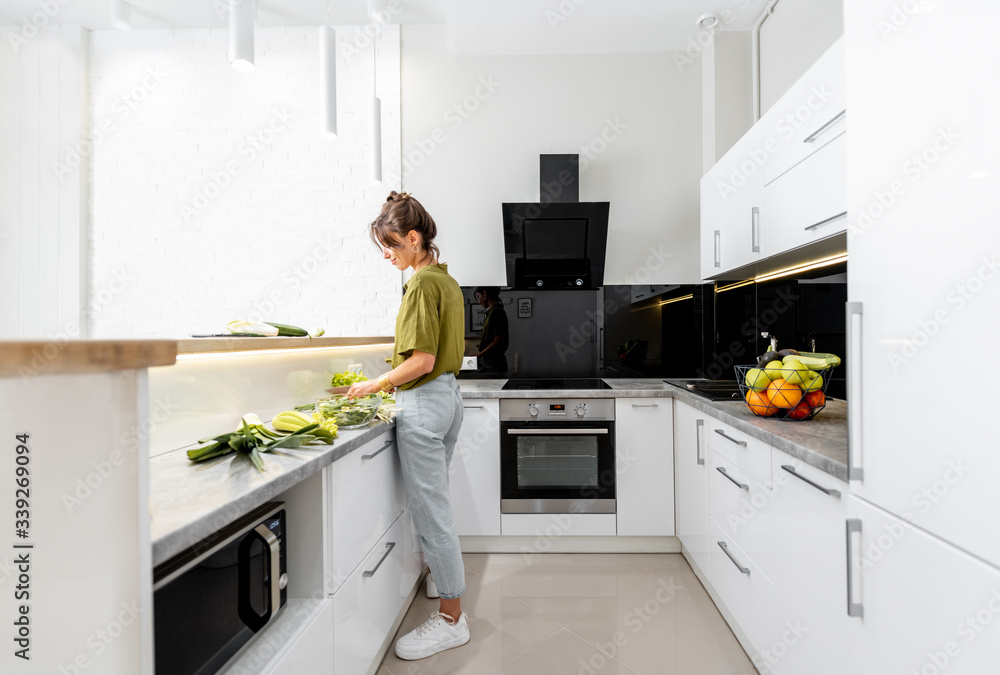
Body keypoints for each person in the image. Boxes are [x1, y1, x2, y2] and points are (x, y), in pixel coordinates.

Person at [347, 191, 470, 660]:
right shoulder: (447, 280)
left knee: (431, 512)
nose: (387, 254)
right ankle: (444, 579)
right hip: (450, 399)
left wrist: (376, 383)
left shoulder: (419, 285)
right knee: (437, 504)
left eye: (391, 244)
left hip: (422, 402)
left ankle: (452, 619)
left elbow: (421, 360)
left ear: (413, 238)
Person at [473, 286, 509, 373]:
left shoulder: (496, 312)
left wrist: (479, 354)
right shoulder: (493, 312)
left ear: (484, 294)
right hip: (492, 361)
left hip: (494, 362)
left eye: (478, 297)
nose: (479, 301)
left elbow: (497, 340)